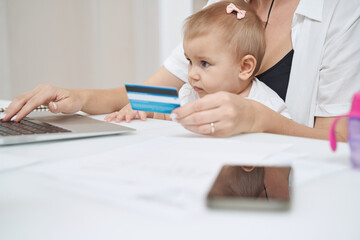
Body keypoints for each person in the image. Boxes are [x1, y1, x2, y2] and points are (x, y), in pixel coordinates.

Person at [1, 0, 359, 140]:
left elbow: (342, 135)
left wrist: (258, 118)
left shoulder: (340, 13)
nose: (193, 73)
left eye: (202, 64)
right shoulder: (223, 11)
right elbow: (151, 94)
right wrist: (76, 98)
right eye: (193, 62)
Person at [105, 1, 290, 123]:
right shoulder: (190, 95)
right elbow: (161, 108)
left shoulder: (267, 105)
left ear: (245, 67)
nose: (192, 74)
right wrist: (138, 106)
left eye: (205, 64)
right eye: (189, 61)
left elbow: (290, 141)